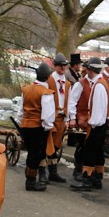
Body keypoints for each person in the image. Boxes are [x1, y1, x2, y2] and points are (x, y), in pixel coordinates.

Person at [68, 58, 109, 191]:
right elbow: (72, 101)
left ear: (90, 69)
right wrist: (73, 118)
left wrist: (92, 124)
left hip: (95, 123)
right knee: (94, 150)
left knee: (91, 151)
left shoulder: (99, 85)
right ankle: (95, 178)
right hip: (86, 120)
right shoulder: (86, 83)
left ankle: (88, 180)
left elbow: (99, 108)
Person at [17, 63, 56, 192]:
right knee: (36, 154)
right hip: (38, 127)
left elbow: (20, 111)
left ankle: (30, 179)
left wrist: (20, 124)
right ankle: (31, 182)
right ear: (48, 77)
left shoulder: (26, 90)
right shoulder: (46, 93)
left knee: (31, 153)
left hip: (25, 125)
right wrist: (47, 127)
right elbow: (47, 115)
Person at [45, 54, 70, 183]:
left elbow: (68, 100)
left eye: (65, 65)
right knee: (47, 145)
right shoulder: (49, 80)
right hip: (51, 116)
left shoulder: (67, 83)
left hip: (62, 117)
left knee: (56, 146)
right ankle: (45, 171)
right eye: (60, 65)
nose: (63, 68)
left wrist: (68, 117)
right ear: (55, 66)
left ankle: (52, 172)